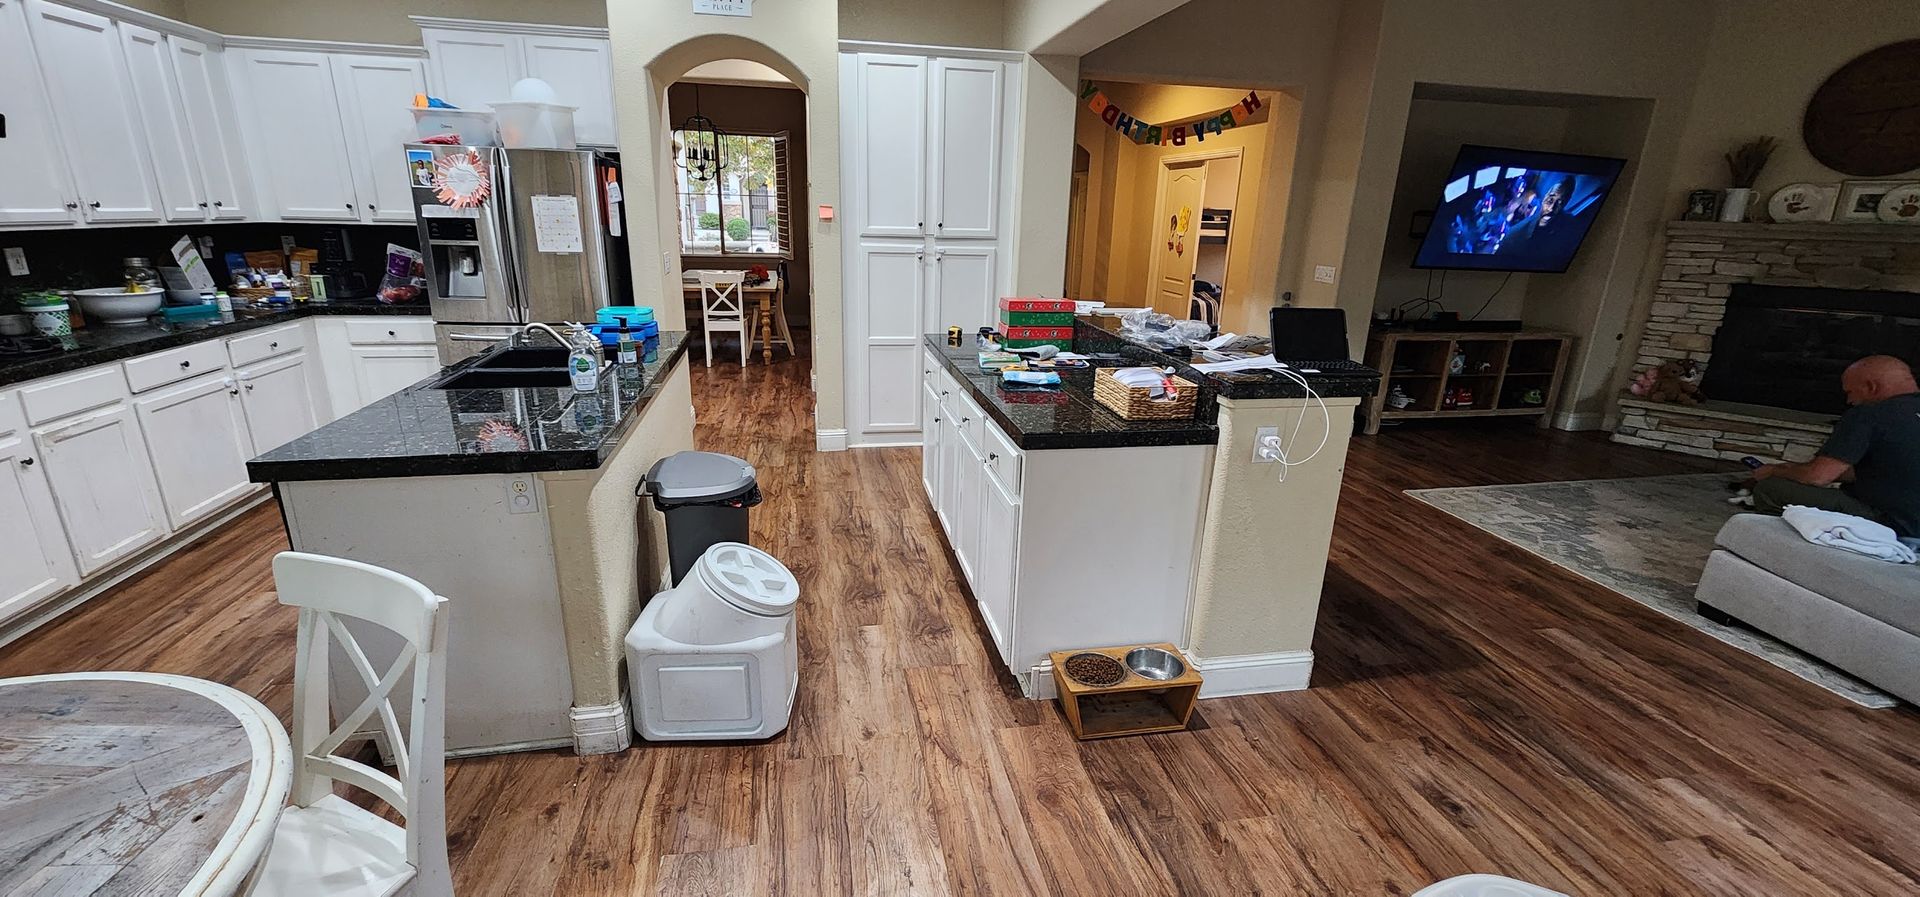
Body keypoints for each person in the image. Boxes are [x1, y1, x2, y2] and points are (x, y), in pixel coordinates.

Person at [1751, 355, 1920, 537]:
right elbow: (1885, 469)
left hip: (1888, 522)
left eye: (1850, 392)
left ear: (1871, 387)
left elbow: (1817, 477)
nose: (1849, 401)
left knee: (1771, 489)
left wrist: (1774, 471)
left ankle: (1790, 541)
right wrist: (1795, 470)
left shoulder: (1869, 414)